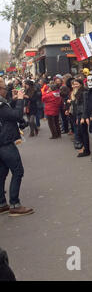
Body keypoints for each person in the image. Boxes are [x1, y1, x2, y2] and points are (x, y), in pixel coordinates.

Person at [0, 77, 34, 216]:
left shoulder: (3, 104)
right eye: (4, 88)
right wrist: (20, 99)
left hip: (2, 142)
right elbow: (15, 115)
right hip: (5, 142)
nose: (6, 91)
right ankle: (15, 204)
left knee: (2, 173)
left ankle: (2, 203)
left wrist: (13, 100)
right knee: (18, 171)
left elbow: (6, 114)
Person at [72, 79, 90, 157]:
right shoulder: (77, 92)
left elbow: (85, 105)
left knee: (84, 132)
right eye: (74, 84)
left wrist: (83, 117)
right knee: (81, 132)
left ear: (81, 84)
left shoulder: (83, 92)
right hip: (79, 115)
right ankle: (84, 148)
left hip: (82, 115)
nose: (75, 85)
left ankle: (86, 150)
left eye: (76, 84)